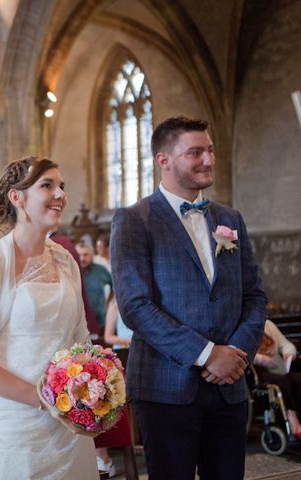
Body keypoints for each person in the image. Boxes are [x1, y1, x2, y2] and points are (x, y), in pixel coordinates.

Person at [111, 116, 267, 479]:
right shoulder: (135, 220)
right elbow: (135, 306)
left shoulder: (230, 218)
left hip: (229, 385)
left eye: (209, 150)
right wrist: (207, 354)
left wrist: (235, 356)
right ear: (164, 160)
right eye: (195, 152)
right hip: (167, 386)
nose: (208, 160)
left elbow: (255, 296)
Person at [0, 156, 98, 479]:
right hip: (12, 428)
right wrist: (46, 400)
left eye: (61, 186)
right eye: (47, 185)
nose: (60, 194)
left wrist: (92, 387)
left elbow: (80, 339)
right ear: (17, 197)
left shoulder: (66, 261)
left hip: (67, 427)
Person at [253, 319, 301, 436]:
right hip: (258, 371)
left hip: (277, 366)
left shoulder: (267, 324)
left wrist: (288, 353)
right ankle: (291, 415)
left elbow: (286, 344)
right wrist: (261, 359)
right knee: (283, 381)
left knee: (298, 377)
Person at [76, 242, 112, 330]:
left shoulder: (100, 270)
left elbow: (115, 286)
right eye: (79, 255)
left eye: (85, 255)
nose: (82, 258)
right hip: (79, 324)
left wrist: (109, 304)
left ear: (91, 255)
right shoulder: (72, 271)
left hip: (100, 322)